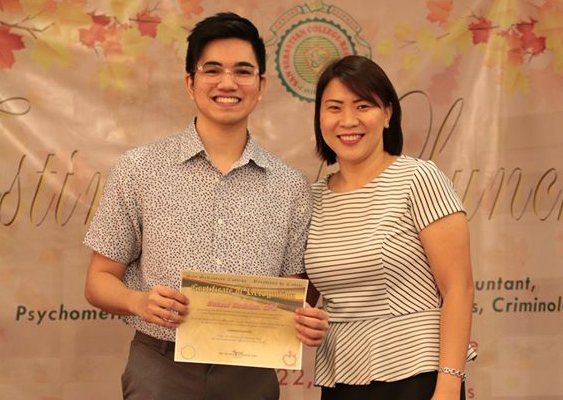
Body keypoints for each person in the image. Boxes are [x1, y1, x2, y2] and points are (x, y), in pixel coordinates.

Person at [83, 12, 329, 400]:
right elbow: (98, 280)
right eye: (212, 70)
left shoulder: (290, 186)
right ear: (190, 83)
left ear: (261, 85)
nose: (227, 83)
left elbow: (296, 292)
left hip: (250, 372)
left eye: (243, 71)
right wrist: (138, 301)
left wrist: (304, 319)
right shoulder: (139, 169)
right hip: (159, 368)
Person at [304, 55, 476, 400]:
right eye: (334, 108)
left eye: (363, 106)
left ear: (387, 113)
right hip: (341, 380)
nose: (348, 120)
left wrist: (448, 385)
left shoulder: (418, 178)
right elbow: (298, 298)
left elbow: (459, 288)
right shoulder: (312, 198)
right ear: (320, 118)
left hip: (417, 377)